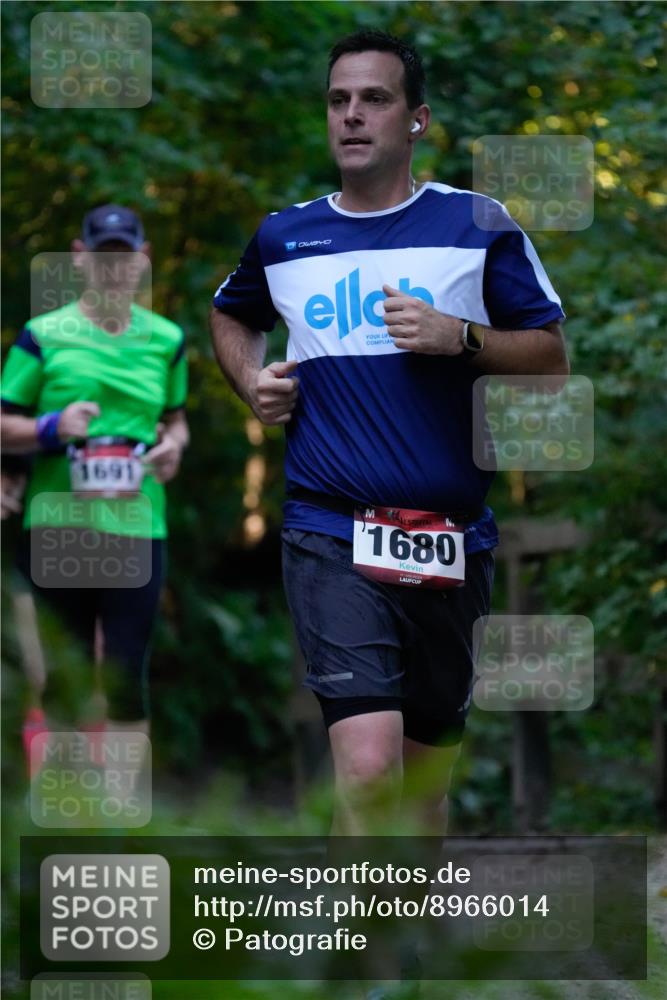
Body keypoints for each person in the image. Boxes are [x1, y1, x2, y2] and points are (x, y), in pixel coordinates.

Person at [210, 30, 568, 838]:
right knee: (368, 770)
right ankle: (364, 961)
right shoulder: (285, 237)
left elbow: (548, 359)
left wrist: (461, 337)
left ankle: (399, 954)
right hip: (330, 530)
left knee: (420, 786)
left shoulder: (475, 225)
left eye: (374, 98)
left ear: (417, 118)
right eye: (338, 100)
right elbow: (230, 313)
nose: (352, 116)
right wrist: (250, 382)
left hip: (450, 541)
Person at [1, 204, 189, 749]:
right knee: (64, 679)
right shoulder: (43, 334)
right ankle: (69, 819)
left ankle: (123, 819)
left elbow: (176, 423)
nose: (114, 270)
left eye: (124, 258)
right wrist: (51, 426)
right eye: (102, 258)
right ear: (79, 259)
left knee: (127, 677)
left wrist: (173, 448)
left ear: (143, 262)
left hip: (138, 523)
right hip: (59, 523)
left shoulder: (167, 340)